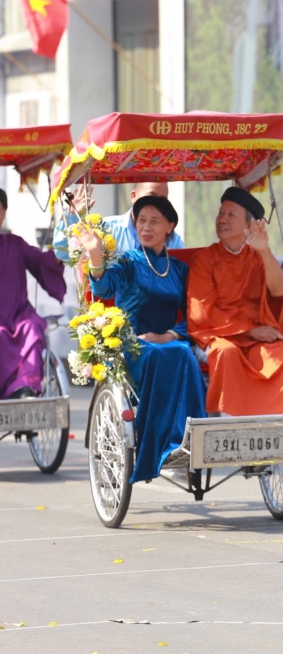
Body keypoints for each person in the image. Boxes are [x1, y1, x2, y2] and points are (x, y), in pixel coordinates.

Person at [80, 195, 207, 482]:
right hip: (132, 342)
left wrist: (169, 335)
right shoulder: (128, 261)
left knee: (182, 352)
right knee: (162, 354)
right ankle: (164, 445)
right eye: (141, 221)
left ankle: (189, 439)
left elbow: (193, 315)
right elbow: (103, 287)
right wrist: (96, 256)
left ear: (169, 227)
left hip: (165, 340)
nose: (146, 227)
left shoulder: (178, 269)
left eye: (154, 221)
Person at [187, 187, 283, 417]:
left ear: (248, 225)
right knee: (227, 352)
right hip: (218, 337)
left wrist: (264, 251)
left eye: (231, 215)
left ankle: (282, 423)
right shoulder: (204, 259)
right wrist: (251, 331)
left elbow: (279, 292)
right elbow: (201, 313)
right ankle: (229, 426)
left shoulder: (258, 256)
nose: (222, 219)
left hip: (256, 341)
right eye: (221, 213)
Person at [0, 188, 67, 399]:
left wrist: (65, 247)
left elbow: (41, 261)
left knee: (33, 327)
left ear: (3, 213)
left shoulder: (15, 244)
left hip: (19, 315)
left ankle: (23, 389)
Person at [53, 182, 184, 262]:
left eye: (163, 200)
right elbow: (62, 253)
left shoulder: (172, 239)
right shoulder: (106, 228)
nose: (157, 204)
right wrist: (71, 216)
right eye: (152, 196)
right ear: (133, 196)